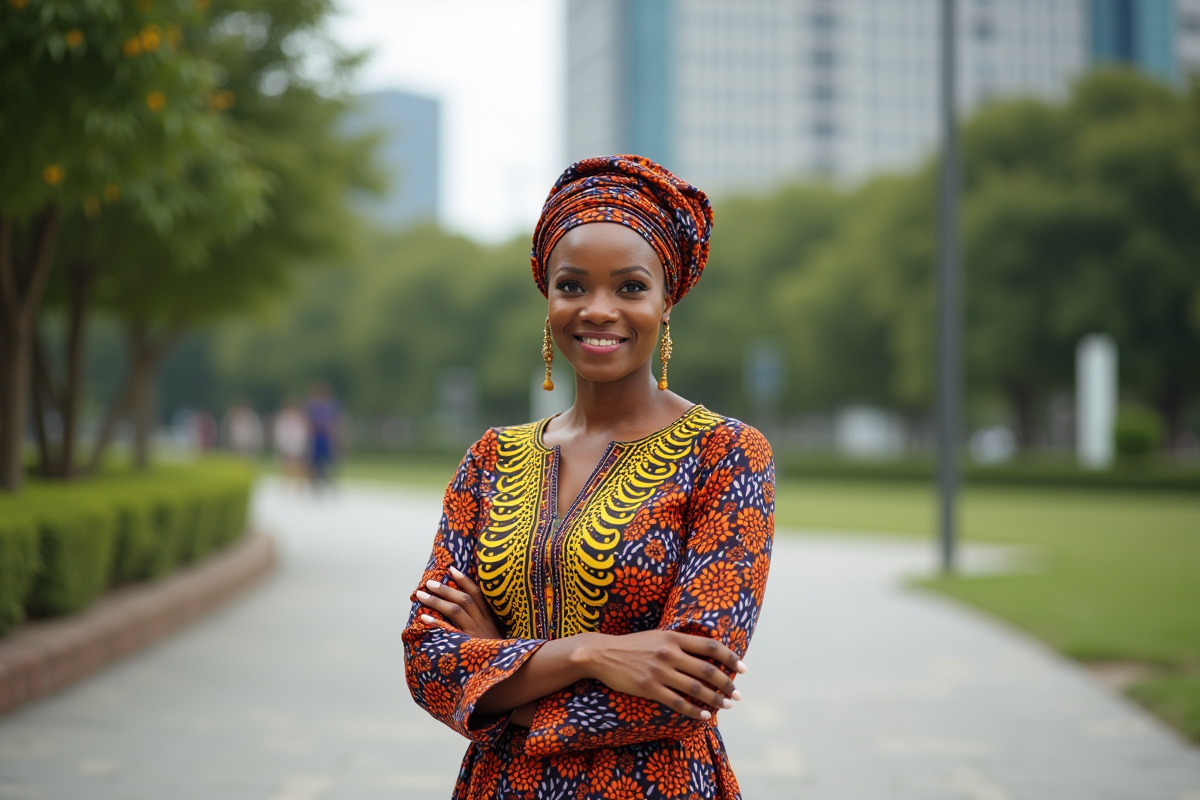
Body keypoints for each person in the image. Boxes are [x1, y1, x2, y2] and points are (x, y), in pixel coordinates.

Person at [403, 155, 774, 799]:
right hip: (501, 787)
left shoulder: (726, 454)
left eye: (630, 287)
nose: (598, 310)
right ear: (548, 299)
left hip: (660, 785)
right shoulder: (489, 460)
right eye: (572, 286)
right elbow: (429, 661)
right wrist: (591, 653)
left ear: (666, 301)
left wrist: (501, 674)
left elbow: (692, 684)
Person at [305, 381, 342, 489]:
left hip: (327, 438)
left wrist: (338, 437)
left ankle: (328, 480)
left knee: (329, 461)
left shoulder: (332, 406)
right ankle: (315, 482)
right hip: (315, 438)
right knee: (314, 462)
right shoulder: (312, 406)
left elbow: (337, 422)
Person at [272, 398, 309, 487]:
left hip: (298, 445)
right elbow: (279, 432)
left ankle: (298, 486)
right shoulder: (283, 418)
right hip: (286, 445)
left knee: (298, 466)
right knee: (285, 466)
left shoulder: (301, 419)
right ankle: (286, 485)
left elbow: (304, 433)